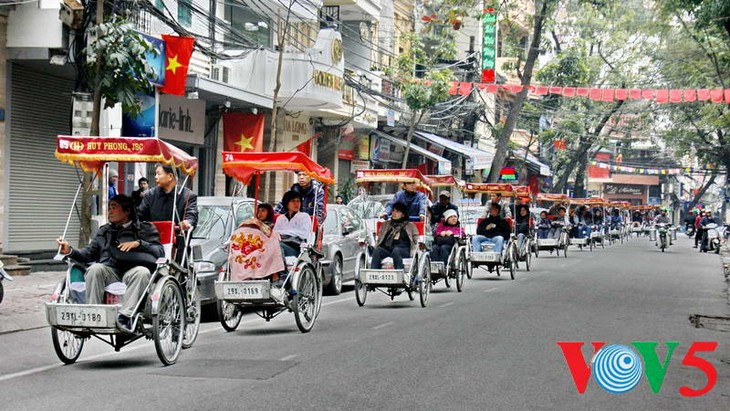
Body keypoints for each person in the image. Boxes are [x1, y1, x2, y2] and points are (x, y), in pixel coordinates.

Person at [56, 194, 163, 332]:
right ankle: (92, 315)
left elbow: (159, 251)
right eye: (109, 207)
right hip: (110, 271)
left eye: (114, 207)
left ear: (127, 210)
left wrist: (139, 244)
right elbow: (88, 254)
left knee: (142, 272)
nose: (109, 211)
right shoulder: (105, 230)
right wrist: (69, 250)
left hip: (133, 271)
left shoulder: (145, 229)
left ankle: (126, 317)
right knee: (95, 268)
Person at [137, 164, 198, 231]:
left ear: (170, 176)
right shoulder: (150, 195)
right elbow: (140, 216)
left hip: (177, 238)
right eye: (155, 174)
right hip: (153, 238)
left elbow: (191, 215)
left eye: (158, 174)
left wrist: (187, 222)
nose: (155, 177)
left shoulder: (187, 195)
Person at [370, 202, 420, 270]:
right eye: (393, 210)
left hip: (403, 249)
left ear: (403, 215)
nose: (394, 213)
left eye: (397, 211)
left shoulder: (410, 226)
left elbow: (416, 239)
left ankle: (399, 273)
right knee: (377, 250)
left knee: (396, 251)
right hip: (388, 248)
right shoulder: (386, 224)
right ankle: (374, 273)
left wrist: (419, 244)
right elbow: (380, 238)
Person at [273, 191, 311, 257]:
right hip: (280, 243)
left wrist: (282, 233)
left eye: (298, 201)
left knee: (278, 246)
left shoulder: (304, 216)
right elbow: (275, 233)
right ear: (287, 203)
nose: (296, 204)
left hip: (297, 248)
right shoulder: (280, 218)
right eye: (293, 201)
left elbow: (304, 234)